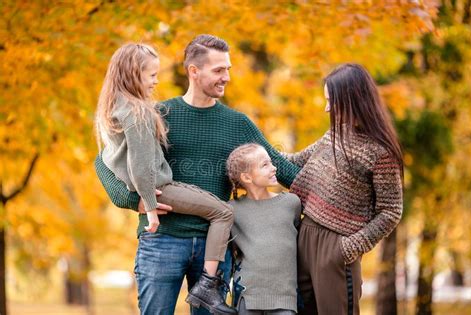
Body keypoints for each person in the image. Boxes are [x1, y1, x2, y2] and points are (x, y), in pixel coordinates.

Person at [94, 35, 300, 314]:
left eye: (228, 69)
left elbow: (280, 167)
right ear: (194, 71)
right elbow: (103, 161)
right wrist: (132, 201)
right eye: (219, 70)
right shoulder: (157, 113)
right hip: (161, 240)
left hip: (212, 249)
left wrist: (328, 195)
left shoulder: (237, 124)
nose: (226, 77)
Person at [95, 42, 236, 313]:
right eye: (151, 75)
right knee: (224, 213)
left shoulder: (119, 108)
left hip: (168, 195)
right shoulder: (140, 112)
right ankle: (209, 285)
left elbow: (119, 158)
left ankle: (207, 283)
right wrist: (146, 206)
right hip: (162, 210)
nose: (156, 81)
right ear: (133, 74)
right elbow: (134, 164)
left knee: (220, 211)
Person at [284, 63, 404, 315]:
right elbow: (294, 162)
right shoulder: (334, 134)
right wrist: (253, 148)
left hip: (337, 247)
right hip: (305, 236)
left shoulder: (381, 152)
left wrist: (349, 248)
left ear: (353, 99)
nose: (327, 108)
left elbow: (391, 211)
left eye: (332, 101)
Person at [226, 143, 301, 315]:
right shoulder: (232, 210)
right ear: (246, 177)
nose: (274, 168)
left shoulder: (291, 203)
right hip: (247, 296)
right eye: (265, 165)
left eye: (271, 162)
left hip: (285, 298)